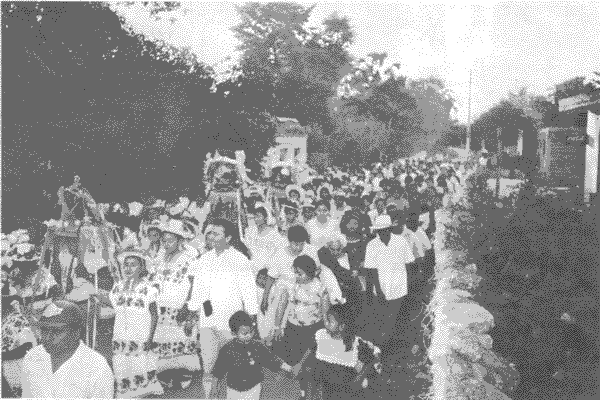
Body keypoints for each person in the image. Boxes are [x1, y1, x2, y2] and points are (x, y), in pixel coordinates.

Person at [187, 218, 258, 398]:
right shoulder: (203, 259)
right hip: (207, 321)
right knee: (209, 366)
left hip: (231, 323)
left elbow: (249, 292)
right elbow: (198, 291)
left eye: (215, 233)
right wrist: (192, 313)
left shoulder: (240, 260)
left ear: (228, 238)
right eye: (208, 232)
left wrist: (251, 318)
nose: (210, 236)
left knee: (232, 366)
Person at [92, 248, 163, 398]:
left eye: (133, 265)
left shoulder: (149, 289)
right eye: (125, 265)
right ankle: (125, 394)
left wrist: (150, 338)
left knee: (140, 366)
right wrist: (95, 295)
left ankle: (141, 393)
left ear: (141, 267)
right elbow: (112, 305)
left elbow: (155, 315)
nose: (128, 268)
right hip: (121, 335)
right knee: (121, 365)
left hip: (140, 335)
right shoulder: (117, 288)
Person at [21, 300, 113, 399]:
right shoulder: (32, 357)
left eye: (57, 331)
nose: (47, 337)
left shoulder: (97, 368)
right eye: (44, 330)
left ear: (76, 333)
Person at [151, 218, 200, 389]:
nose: (166, 243)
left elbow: (195, 283)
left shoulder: (189, 258)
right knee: (165, 341)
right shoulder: (160, 258)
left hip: (181, 307)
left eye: (170, 239)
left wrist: (189, 305)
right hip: (162, 308)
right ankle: (168, 374)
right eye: (164, 239)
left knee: (182, 339)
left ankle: (184, 374)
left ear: (179, 240)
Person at [211, 311, 294, 400]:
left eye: (251, 331)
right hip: (233, 390)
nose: (249, 335)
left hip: (254, 388)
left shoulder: (258, 346)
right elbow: (218, 371)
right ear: (233, 334)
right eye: (245, 333)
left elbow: (272, 359)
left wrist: (288, 367)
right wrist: (214, 389)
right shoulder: (227, 350)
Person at [308, 304, 382, 400]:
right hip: (329, 381)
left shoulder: (355, 345)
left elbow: (371, 358)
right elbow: (312, 352)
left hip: (346, 385)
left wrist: (359, 379)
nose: (325, 322)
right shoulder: (321, 335)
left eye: (329, 321)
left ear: (342, 327)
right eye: (325, 319)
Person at [264, 226, 344, 311]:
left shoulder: (310, 250)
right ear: (289, 241)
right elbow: (271, 277)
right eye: (295, 244)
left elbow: (317, 271)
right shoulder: (280, 254)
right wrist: (264, 299)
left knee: (326, 273)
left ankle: (335, 300)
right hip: (287, 285)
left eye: (301, 244)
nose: (298, 248)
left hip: (308, 283)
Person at [282, 255, 330, 398]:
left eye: (300, 273)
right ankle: (303, 391)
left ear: (309, 272)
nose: (296, 275)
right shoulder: (293, 285)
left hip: (312, 330)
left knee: (310, 363)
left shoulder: (320, 288)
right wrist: (280, 325)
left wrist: (326, 331)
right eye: (295, 272)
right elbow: (287, 304)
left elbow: (325, 312)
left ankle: (313, 391)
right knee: (297, 361)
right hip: (293, 328)